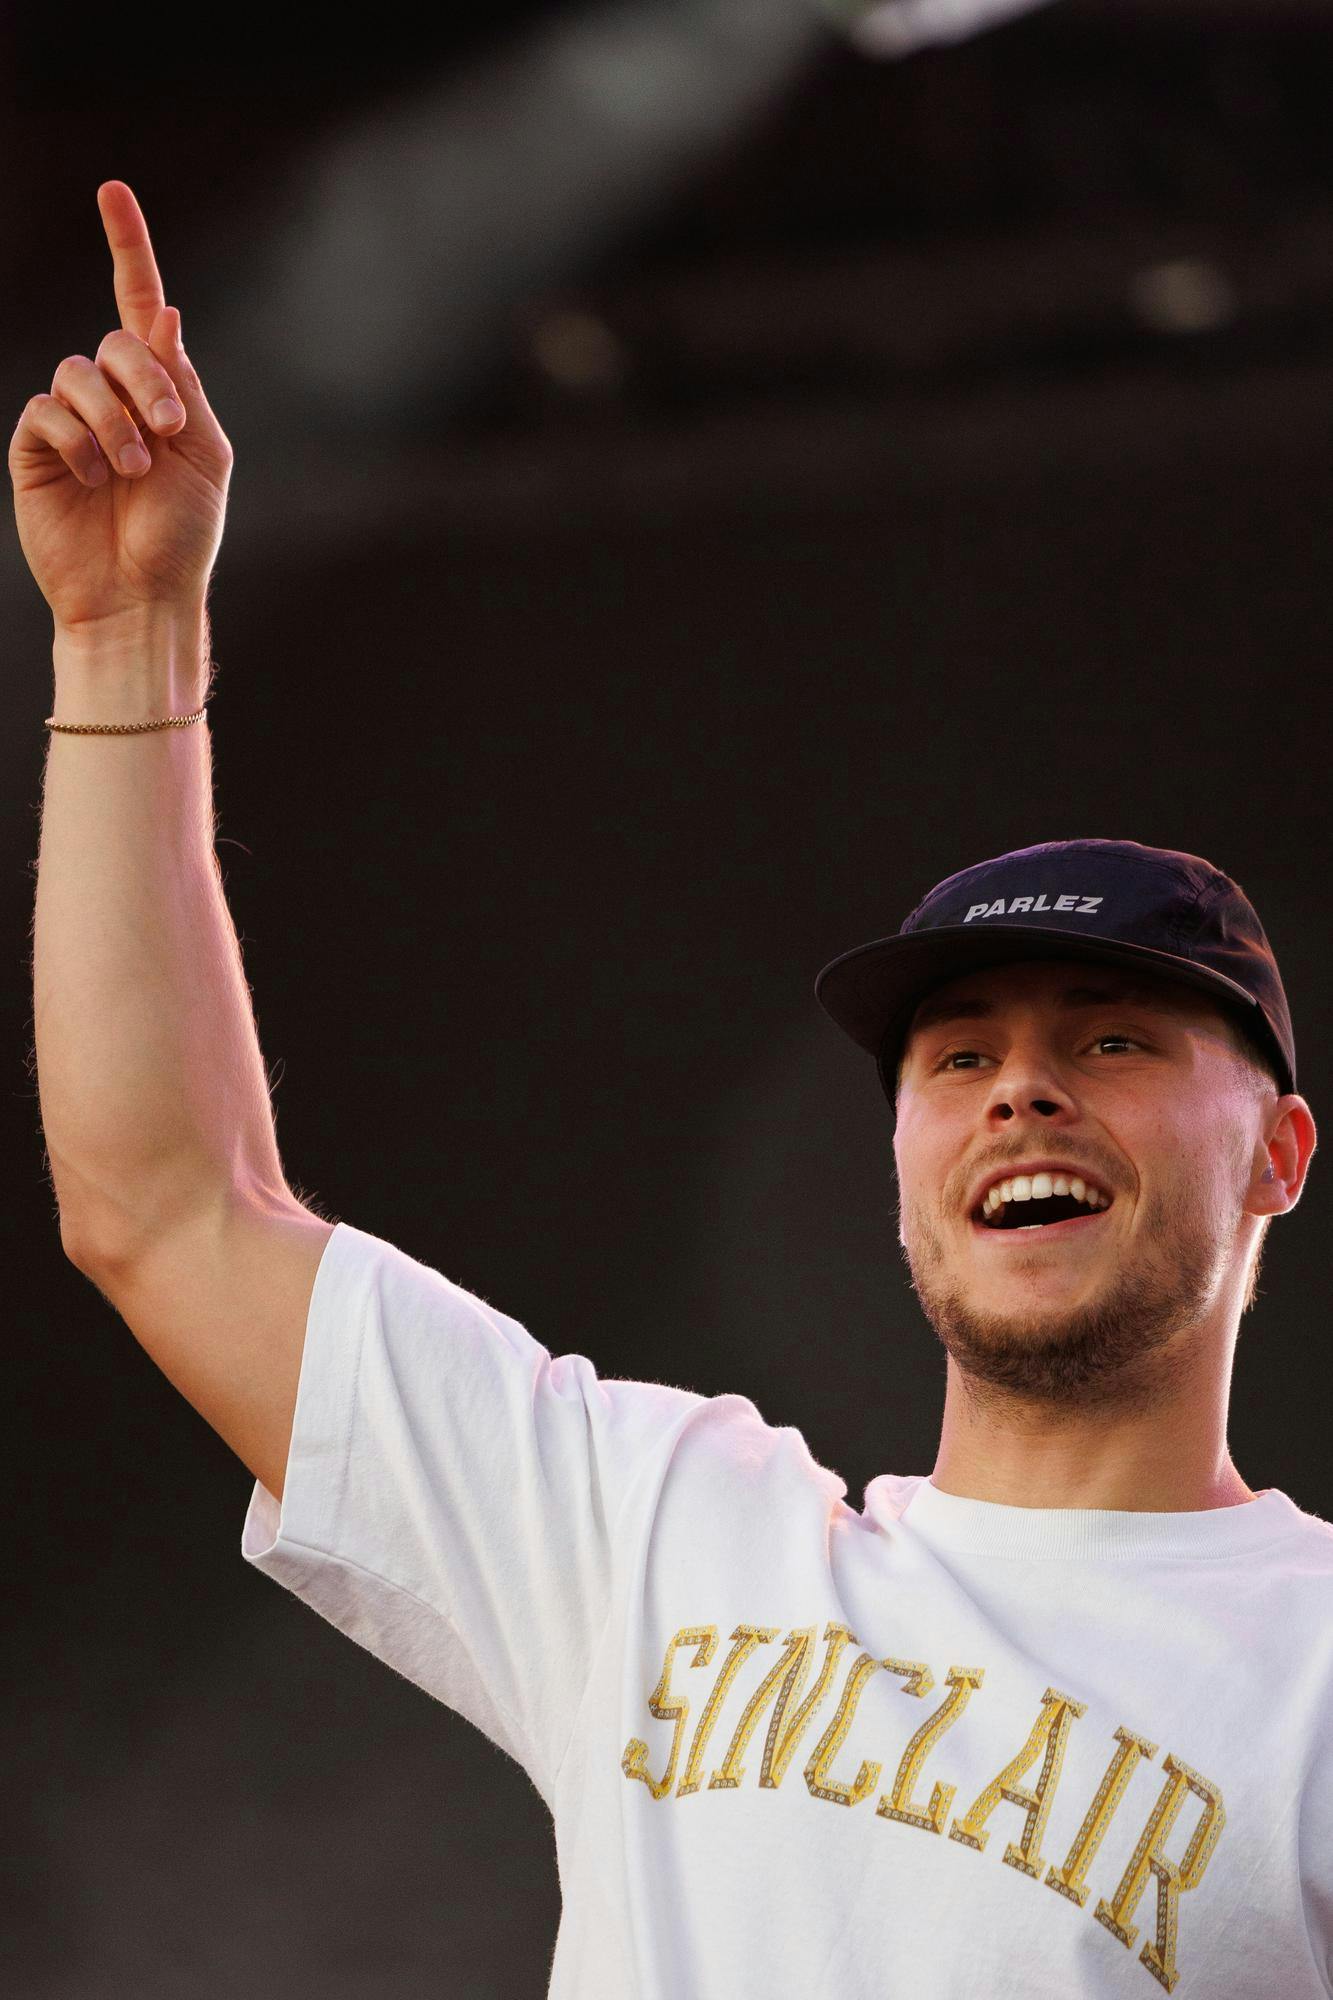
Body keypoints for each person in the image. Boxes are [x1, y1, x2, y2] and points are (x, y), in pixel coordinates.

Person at [16, 183, 1333, 2000]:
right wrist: (121, 640)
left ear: (1275, 1153)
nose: (1020, 1090)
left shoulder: (1316, 1666)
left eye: (1111, 1036)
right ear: (899, 1158)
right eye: (956, 1057)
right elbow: (163, 1204)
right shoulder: (655, 1531)